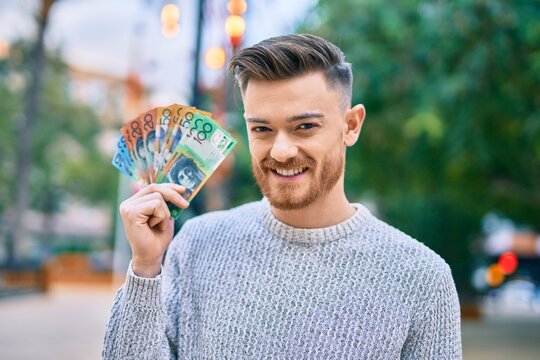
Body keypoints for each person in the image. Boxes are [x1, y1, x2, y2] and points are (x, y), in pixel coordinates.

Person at [103, 34, 462, 359]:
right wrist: (145, 268)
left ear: (351, 125)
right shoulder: (196, 245)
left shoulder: (421, 279)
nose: (281, 151)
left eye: (305, 126)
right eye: (261, 128)